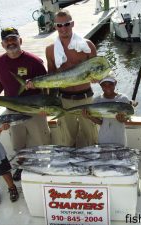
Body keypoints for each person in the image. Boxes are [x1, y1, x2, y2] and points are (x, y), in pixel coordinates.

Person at [0, 27, 51, 181]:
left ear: (20, 40)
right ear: (2, 44)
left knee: (42, 140)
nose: (11, 43)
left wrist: (45, 107)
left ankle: (46, 166)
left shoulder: (35, 61)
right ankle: (21, 167)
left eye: (13, 39)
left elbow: (46, 85)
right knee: (18, 142)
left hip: (35, 110)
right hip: (12, 110)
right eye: (7, 40)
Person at [45, 9, 98, 147]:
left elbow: (97, 70)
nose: (63, 28)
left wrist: (98, 78)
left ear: (72, 24)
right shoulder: (50, 50)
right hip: (64, 99)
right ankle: (71, 166)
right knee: (68, 140)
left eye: (67, 24)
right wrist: (48, 100)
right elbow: (50, 77)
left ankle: (92, 167)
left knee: (92, 138)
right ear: (54, 26)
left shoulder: (88, 46)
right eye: (59, 25)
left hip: (86, 97)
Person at [83, 75, 131, 146]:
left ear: (115, 83)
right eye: (104, 85)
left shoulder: (123, 99)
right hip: (103, 138)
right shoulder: (97, 100)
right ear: (100, 85)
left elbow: (127, 119)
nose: (107, 87)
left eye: (110, 84)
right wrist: (90, 117)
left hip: (120, 138)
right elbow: (101, 122)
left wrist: (122, 120)